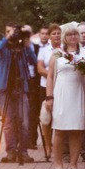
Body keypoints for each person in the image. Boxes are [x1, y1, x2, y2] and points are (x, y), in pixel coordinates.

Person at [45, 22, 85, 169]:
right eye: (69, 34)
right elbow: (50, 76)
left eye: (75, 34)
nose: (72, 37)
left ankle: (73, 164)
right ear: (64, 37)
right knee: (59, 130)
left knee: (76, 130)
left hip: (78, 93)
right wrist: (49, 97)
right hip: (61, 93)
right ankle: (58, 163)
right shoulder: (57, 54)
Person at [0, 22, 35, 164]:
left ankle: (23, 152)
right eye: (8, 31)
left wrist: (27, 43)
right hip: (5, 88)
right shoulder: (3, 45)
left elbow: (34, 61)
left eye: (14, 32)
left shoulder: (23, 46)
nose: (12, 34)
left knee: (24, 121)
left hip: (21, 87)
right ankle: (10, 152)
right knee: (8, 122)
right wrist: (7, 39)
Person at [36, 23, 60, 158]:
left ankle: (59, 146)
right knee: (46, 118)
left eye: (58, 33)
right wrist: (52, 74)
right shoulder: (44, 50)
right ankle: (47, 145)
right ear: (49, 36)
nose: (56, 36)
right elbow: (40, 69)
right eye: (54, 33)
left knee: (59, 117)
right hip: (45, 87)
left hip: (61, 88)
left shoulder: (65, 50)